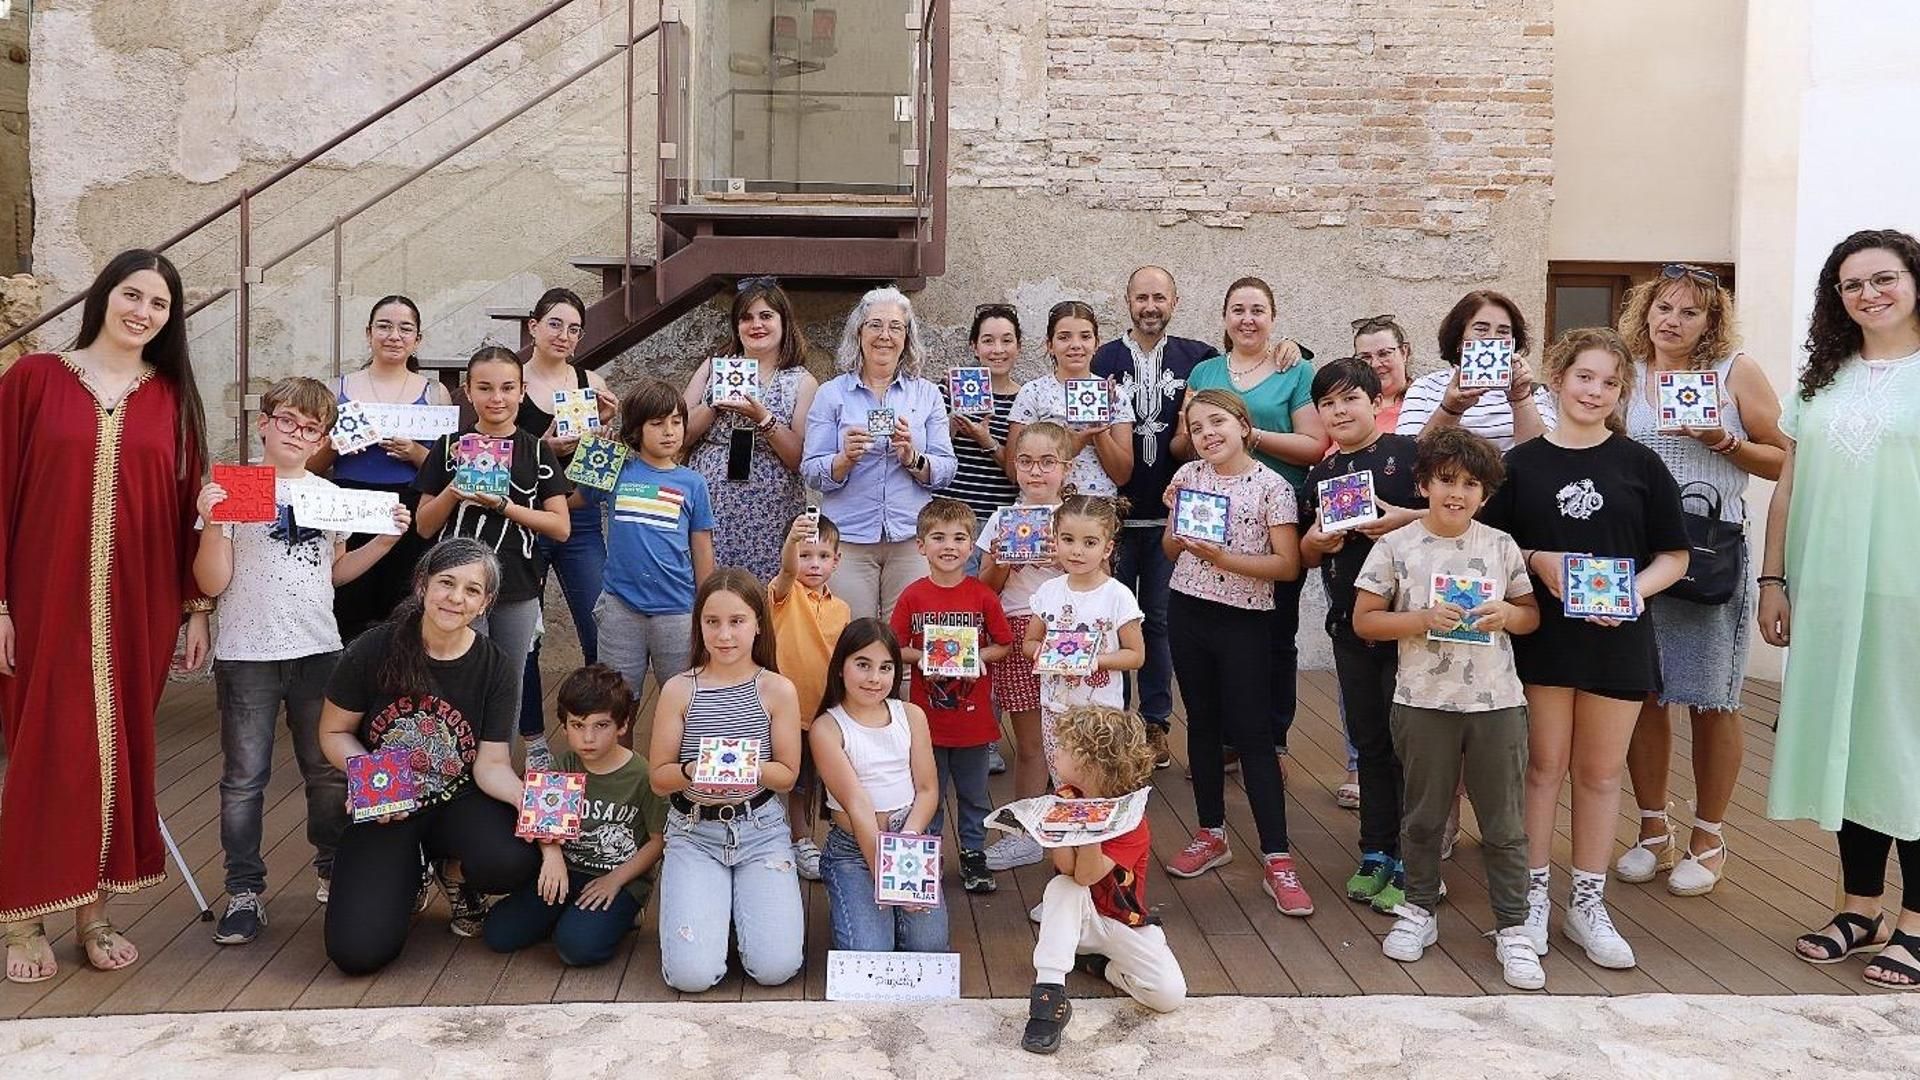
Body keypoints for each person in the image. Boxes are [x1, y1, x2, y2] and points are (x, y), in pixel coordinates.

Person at [1, 249, 211, 984]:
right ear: (105, 295)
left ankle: (94, 909)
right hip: (41, 595)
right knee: (44, 744)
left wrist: (196, 608)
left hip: (141, 603)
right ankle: (22, 910)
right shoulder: (34, 380)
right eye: (133, 294)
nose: (143, 312)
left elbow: (194, 508)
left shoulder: (174, 398)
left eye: (159, 304)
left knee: (119, 748)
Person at [1480, 327, 1689, 972]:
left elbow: (1674, 556)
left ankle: (1588, 902)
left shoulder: (1640, 463)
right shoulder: (1522, 464)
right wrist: (1540, 558)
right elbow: (1494, 546)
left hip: (1617, 638)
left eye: (1608, 382)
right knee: (1542, 768)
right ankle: (1534, 896)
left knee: (1600, 773)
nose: (1594, 391)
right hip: (1546, 637)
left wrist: (1631, 594)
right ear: (1557, 378)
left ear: (1620, 390)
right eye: (1583, 377)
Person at [192, 376, 411, 943]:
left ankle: (334, 871)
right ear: (263, 423)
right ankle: (243, 889)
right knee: (244, 778)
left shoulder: (328, 495)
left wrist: (384, 544)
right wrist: (214, 524)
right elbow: (212, 581)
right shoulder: (234, 486)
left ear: (321, 441)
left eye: (311, 428)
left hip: (319, 648)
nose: (297, 433)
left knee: (326, 771)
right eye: (286, 420)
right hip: (247, 653)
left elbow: (332, 574)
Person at [1765, 229, 1920, 988]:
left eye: (1884, 278)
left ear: (1916, 282)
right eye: (1852, 285)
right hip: (1827, 589)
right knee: (1852, 743)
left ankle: (1919, 921)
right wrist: (1773, 580)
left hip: (1909, 591)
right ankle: (1860, 907)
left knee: (1908, 745)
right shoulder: (1820, 382)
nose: (1869, 295)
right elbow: (1788, 489)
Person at [1351, 427, 1544, 990]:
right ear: (1424, 483)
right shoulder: (1396, 545)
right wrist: (1418, 619)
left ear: (1485, 493)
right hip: (1422, 701)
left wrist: (1507, 615)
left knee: (1504, 823)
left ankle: (1513, 928)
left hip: (1497, 703)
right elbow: (1365, 620)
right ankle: (1418, 909)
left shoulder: (1501, 545)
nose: (1456, 493)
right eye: (1445, 481)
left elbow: (1530, 615)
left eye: (1469, 484)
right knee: (1424, 815)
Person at [1616, 266, 1786, 896]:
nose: (1673, 321)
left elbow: (1781, 454)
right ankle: (1652, 830)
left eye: (1690, 313)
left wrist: (1724, 441)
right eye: (1665, 308)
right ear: (1646, 311)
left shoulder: (1735, 370)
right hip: (1638, 554)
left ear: (1711, 321)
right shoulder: (1627, 372)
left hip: (1711, 548)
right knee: (1646, 693)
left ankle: (1709, 836)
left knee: (1714, 698)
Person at [319, 539, 542, 975]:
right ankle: (410, 871)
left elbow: (491, 763)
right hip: (388, 805)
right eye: (446, 583)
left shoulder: (495, 664)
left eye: (472, 590)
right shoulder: (372, 648)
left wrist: (529, 804)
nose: (457, 598)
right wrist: (367, 775)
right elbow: (333, 731)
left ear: (486, 603)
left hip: (458, 799)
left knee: (517, 857)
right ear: (422, 585)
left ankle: (453, 869)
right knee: (357, 954)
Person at [1158, 390, 1309, 916]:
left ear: (1244, 425)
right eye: (1197, 428)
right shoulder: (1190, 478)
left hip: (1245, 619)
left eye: (1217, 422)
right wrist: (1178, 525)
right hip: (1188, 609)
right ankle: (1211, 832)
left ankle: (1277, 856)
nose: (1207, 434)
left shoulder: (1272, 486)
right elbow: (1170, 551)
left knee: (1253, 734)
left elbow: (1288, 566)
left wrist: (1225, 558)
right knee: (1200, 723)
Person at [1299, 359, 1427, 914]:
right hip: (1350, 627)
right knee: (1370, 744)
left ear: (1378, 401)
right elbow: (1303, 553)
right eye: (1328, 404)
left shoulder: (1412, 455)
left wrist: (1404, 518)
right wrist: (1316, 542)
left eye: (1351, 399)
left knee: (1412, 747)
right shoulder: (1322, 474)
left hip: (1412, 628)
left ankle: (1415, 860)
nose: (1340, 411)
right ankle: (1375, 850)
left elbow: (1456, 512)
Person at [1180, 278, 1322, 762]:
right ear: (1223, 318)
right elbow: (1185, 443)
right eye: (1237, 309)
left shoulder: (1296, 368)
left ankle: (1272, 736)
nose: (1247, 318)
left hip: (1276, 516)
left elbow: (1313, 446)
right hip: (1211, 519)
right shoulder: (1204, 370)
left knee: (1275, 635)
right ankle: (1224, 739)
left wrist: (1248, 434)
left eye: (1257, 310)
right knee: (1214, 635)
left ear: (1272, 318)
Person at [413, 346, 572, 765]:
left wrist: (504, 505)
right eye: (484, 388)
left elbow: (560, 526)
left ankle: (497, 765)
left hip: (517, 584)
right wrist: (455, 488)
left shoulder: (537, 452)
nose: (496, 398)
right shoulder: (449, 447)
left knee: (511, 679)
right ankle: (457, 764)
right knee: (462, 674)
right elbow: (424, 525)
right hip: (458, 590)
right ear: (467, 391)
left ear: (522, 392)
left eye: (507, 388)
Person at [648, 570, 805, 992]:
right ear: (698, 624)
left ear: (758, 624)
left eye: (737, 621)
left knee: (777, 968)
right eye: (712, 622)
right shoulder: (679, 689)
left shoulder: (777, 689)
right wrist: (694, 770)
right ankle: (715, 919)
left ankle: (735, 917)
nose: (724, 635)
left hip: (761, 830)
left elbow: (787, 776)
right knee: (691, 977)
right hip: (693, 831)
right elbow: (659, 778)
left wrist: (737, 764)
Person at [1092, 267, 1219, 769]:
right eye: (1141, 297)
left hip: (1172, 515)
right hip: (1113, 517)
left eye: (1159, 297)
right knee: (1112, 624)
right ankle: (1115, 722)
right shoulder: (1105, 359)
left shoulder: (1200, 358)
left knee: (1161, 623)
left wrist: (1290, 348)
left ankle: (1155, 724)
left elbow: (1236, 383)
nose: (1150, 305)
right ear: (1127, 301)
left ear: (1175, 300)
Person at [1020, 705, 1185, 1056]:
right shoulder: (1063, 798)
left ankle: (1100, 966)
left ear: (1090, 764)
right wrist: (1059, 825)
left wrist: (1090, 824)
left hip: (1122, 921)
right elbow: (1068, 870)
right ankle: (1048, 999)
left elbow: (1089, 872)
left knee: (1170, 995)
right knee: (1061, 888)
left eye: (1064, 748)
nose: (1056, 752)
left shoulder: (1133, 823)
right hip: (1081, 917)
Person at [482, 664, 667, 967]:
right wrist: (552, 856)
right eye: (578, 725)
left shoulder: (642, 775)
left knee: (577, 949)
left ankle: (623, 915)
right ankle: (570, 915)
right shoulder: (563, 764)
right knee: (499, 934)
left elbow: (658, 841)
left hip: (616, 878)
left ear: (622, 726)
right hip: (566, 871)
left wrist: (615, 880)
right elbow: (544, 822)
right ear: (565, 726)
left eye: (601, 725)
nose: (588, 738)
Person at [801, 287, 958, 620]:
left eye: (895, 327)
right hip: (850, 539)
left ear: (906, 337)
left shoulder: (926, 394)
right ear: (859, 333)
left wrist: (913, 458)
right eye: (875, 325)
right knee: (853, 636)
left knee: (905, 639)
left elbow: (946, 469)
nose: (884, 336)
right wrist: (843, 459)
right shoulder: (832, 394)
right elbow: (811, 470)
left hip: (911, 537)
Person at [888, 498, 1013, 894]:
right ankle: (931, 855)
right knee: (931, 792)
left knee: (975, 794)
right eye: (938, 537)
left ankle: (975, 855)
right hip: (927, 721)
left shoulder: (981, 597)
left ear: (972, 544)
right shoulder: (913, 596)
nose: (949, 546)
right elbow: (894, 646)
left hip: (974, 720)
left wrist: (976, 657)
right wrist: (924, 657)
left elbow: (1004, 644)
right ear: (921, 545)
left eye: (959, 538)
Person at [513, 288, 619, 755]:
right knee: (525, 636)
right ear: (533, 326)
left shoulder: (589, 383)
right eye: (555, 324)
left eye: (574, 328)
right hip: (522, 525)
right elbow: (494, 463)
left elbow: (601, 473)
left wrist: (605, 439)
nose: (564, 335)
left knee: (600, 626)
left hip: (578, 522)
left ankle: (599, 733)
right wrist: (546, 448)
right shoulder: (509, 383)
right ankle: (535, 741)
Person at [314, 295, 451, 644]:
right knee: (348, 603)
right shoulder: (335, 389)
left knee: (405, 605)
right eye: (384, 326)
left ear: (417, 339)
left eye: (405, 328)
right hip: (347, 504)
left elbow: (448, 470)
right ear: (369, 333)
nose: (394, 335)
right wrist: (336, 443)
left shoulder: (435, 393)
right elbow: (310, 467)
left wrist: (416, 452)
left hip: (410, 508)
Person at [581, 378, 716, 729]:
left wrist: (707, 606)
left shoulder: (692, 482)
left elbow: (702, 546)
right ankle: (616, 777)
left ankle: (679, 779)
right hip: (620, 608)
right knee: (616, 702)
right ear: (636, 429)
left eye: (676, 421)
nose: (669, 431)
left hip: (677, 609)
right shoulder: (618, 467)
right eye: (657, 423)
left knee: (685, 701)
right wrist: (595, 447)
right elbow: (575, 499)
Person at [811, 619, 947, 952]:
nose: (875, 678)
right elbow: (857, 803)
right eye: (862, 665)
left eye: (885, 667)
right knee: (870, 953)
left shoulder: (911, 715)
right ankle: (854, 902)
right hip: (855, 850)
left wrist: (909, 843)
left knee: (928, 948)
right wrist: (889, 877)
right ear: (841, 667)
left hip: (908, 838)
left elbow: (928, 790)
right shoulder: (827, 727)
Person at [979, 422, 1073, 872]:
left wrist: (1066, 557)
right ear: (1014, 465)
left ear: (1065, 468)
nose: (1036, 472)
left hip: (1070, 632)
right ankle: (1026, 833)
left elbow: (1103, 577)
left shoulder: (1076, 519)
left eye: (1047, 463)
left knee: (1074, 736)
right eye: (1026, 462)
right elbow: (984, 588)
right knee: (1031, 741)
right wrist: (1003, 558)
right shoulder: (1001, 520)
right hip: (1018, 629)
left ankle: (1074, 826)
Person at [684, 277, 818, 581]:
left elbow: (799, 458)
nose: (756, 325)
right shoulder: (713, 366)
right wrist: (715, 404)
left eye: (766, 316)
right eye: (746, 317)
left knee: (765, 600)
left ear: (784, 323)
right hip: (711, 507)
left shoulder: (801, 381)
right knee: (709, 594)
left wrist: (763, 418)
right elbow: (680, 434)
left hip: (770, 515)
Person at [1022, 493, 1145, 783]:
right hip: (1055, 709)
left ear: (1107, 548)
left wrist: (1091, 660)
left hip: (1099, 714)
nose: (1077, 551)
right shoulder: (1049, 591)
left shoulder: (1117, 596)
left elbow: (1136, 655)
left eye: (1089, 543)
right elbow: (1029, 643)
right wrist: (1045, 652)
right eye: (1068, 539)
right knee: (1064, 784)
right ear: (1055, 539)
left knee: (1097, 785)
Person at [767, 511, 850, 880]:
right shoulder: (784, 595)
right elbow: (786, 573)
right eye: (804, 554)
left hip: (825, 708)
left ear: (837, 560)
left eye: (822, 556)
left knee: (817, 778)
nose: (812, 564)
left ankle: (822, 836)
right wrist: (791, 542)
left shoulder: (842, 608)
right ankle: (797, 839)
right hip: (785, 710)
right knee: (789, 777)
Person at [1006, 301, 1135, 497]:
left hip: (1096, 511)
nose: (1076, 345)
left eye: (1085, 336)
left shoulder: (1116, 396)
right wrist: (1072, 444)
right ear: (1050, 345)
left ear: (1096, 343)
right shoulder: (1033, 392)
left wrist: (1098, 430)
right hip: (1045, 506)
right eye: (1064, 337)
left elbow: (1122, 475)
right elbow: (1013, 470)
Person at [1397, 290, 1556, 449]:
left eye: (1503, 331)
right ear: (1459, 339)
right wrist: (1450, 410)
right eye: (1481, 329)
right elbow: (1408, 459)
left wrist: (1520, 398)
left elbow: (1544, 459)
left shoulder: (1533, 392)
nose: (1492, 338)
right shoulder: (1425, 388)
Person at [941, 303, 1025, 563]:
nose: (998, 350)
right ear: (974, 347)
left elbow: (1019, 473)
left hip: (997, 518)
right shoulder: (947, 391)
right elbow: (928, 453)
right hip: (949, 519)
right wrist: (951, 425)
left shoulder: (1025, 399)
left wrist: (986, 441)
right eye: (988, 341)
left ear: (1018, 347)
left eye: (1007, 341)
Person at [1350, 314, 1413, 444]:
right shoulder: (1347, 404)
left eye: (1384, 354)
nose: (1375, 364)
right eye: (1365, 357)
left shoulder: (1425, 400)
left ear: (1404, 352)